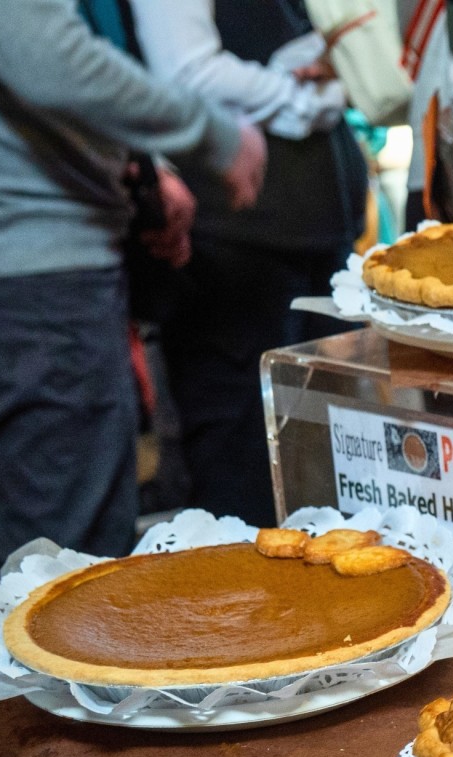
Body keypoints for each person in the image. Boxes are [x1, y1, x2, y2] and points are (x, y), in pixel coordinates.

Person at [0, 0, 269, 585]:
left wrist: (137, 168)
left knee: (23, 556)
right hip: (19, 269)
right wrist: (217, 134)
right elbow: (52, 64)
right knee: (68, 572)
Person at [135, 0, 369, 528]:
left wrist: (327, 76)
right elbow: (186, 71)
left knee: (334, 467)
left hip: (318, 235)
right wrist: (298, 98)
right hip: (234, 241)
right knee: (241, 482)